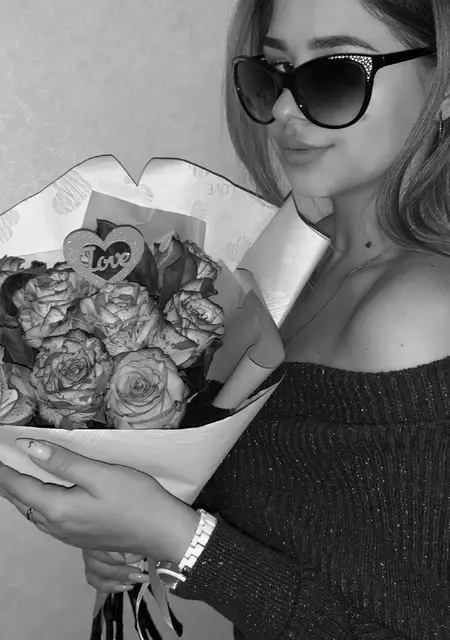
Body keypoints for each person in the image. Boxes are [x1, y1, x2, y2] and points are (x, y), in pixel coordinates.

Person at [1, 0, 450, 637]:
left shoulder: (418, 314)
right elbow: (304, 524)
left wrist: (181, 541)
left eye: (336, 72)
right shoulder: (288, 267)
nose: (286, 109)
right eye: (273, 73)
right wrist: (128, 525)